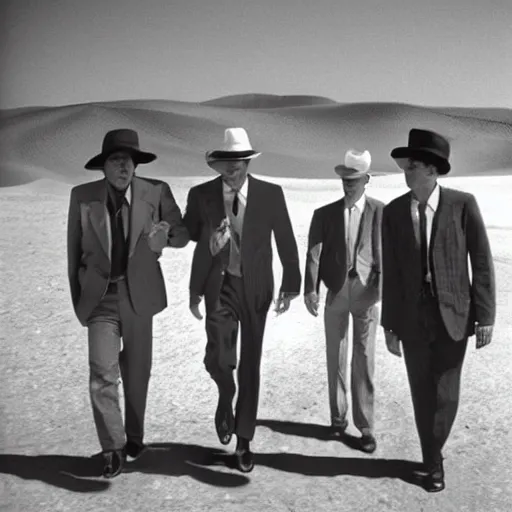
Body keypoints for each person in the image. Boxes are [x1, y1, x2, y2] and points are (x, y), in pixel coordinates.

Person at [67, 128, 189, 478]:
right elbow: (73, 252)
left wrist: (163, 236)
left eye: (129, 161)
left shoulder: (156, 191)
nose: (123, 167)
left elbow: (181, 234)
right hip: (100, 300)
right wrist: (81, 302)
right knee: (102, 371)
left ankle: (134, 436)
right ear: (103, 166)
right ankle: (113, 447)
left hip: (140, 298)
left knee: (137, 372)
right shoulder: (82, 196)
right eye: (116, 160)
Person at [381, 128, 495, 492]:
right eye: (406, 165)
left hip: (454, 316)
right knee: (421, 391)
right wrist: (389, 324)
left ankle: (433, 449)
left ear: (432, 170)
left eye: (413, 165)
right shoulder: (395, 212)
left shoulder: (463, 204)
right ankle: (433, 462)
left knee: (446, 393)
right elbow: (393, 273)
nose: (406, 171)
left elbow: (481, 261)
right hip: (412, 319)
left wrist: (486, 316)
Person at [183, 127, 301, 473]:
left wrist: (291, 283)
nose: (232, 167)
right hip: (218, 286)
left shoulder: (270, 194)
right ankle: (225, 394)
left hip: (257, 288)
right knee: (220, 355)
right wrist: (165, 235)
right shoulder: (201, 195)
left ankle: (244, 440)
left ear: (247, 162)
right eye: (226, 161)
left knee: (251, 363)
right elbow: (188, 234)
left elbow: (285, 239)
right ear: (218, 164)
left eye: (239, 161)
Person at [304, 149, 384, 453]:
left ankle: (366, 428)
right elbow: (314, 252)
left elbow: (387, 254)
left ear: (366, 180)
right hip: (336, 291)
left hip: (366, 293)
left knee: (364, 359)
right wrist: (310, 289)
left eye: (353, 180)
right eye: (344, 179)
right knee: (335, 355)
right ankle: (338, 418)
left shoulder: (380, 212)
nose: (347, 184)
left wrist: (383, 289)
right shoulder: (324, 214)